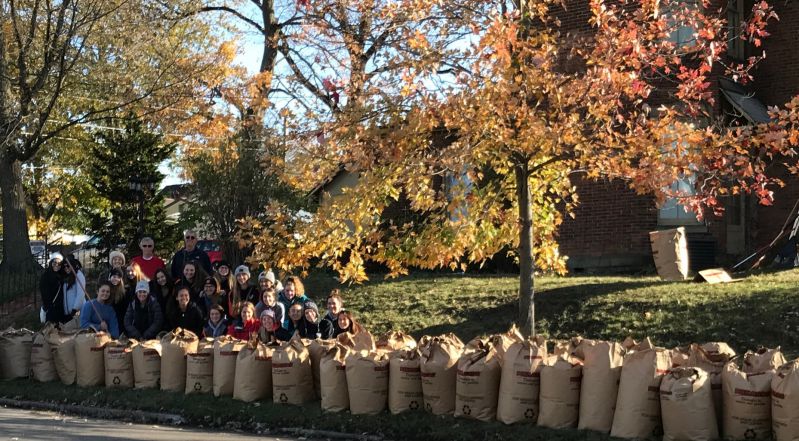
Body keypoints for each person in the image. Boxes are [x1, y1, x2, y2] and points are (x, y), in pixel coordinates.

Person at [40, 254, 66, 323]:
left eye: (59, 263)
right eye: (55, 263)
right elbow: (44, 293)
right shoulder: (46, 277)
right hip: (51, 308)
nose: (57, 265)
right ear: (51, 263)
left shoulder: (61, 276)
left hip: (61, 308)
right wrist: (49, 306)